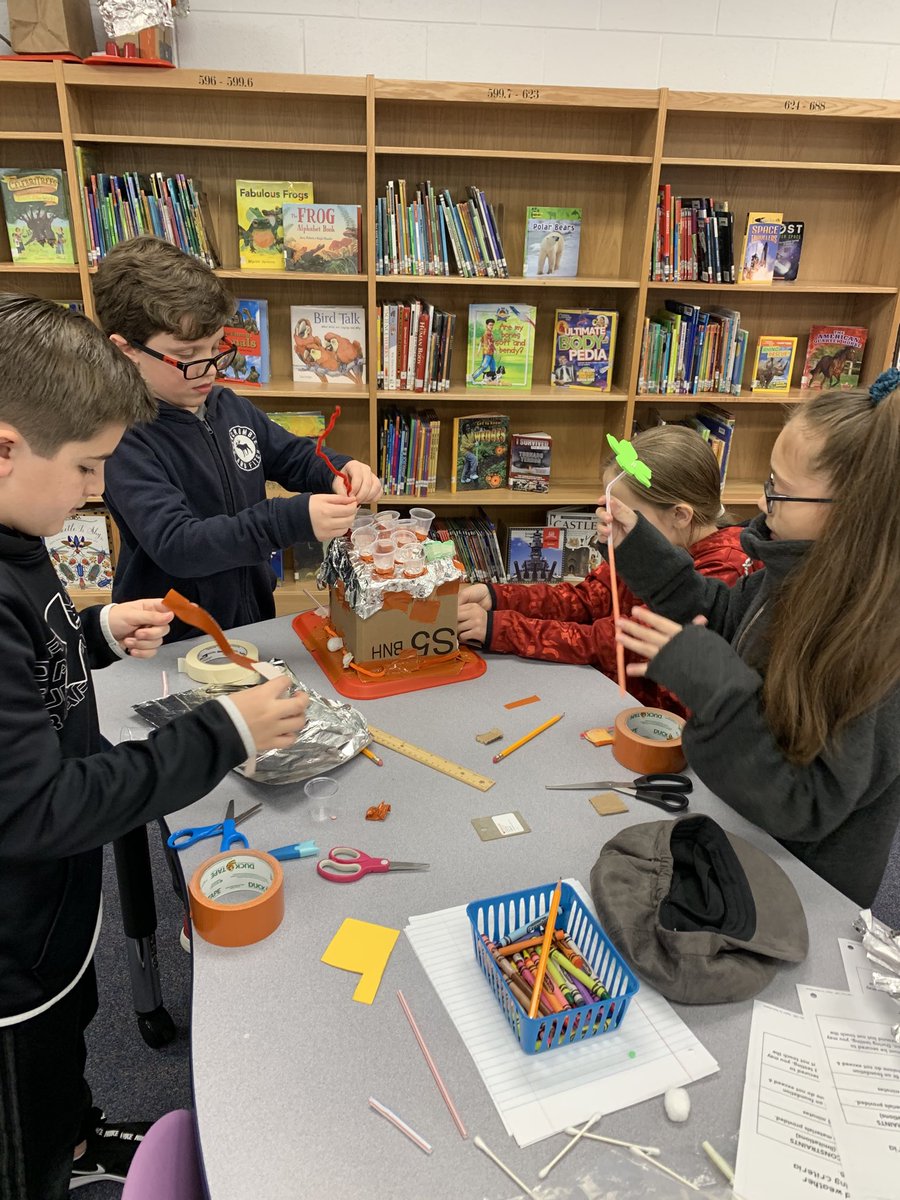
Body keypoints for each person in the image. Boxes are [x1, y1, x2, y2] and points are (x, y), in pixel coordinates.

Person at [0, 294, 309, 1199]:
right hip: (11, 947)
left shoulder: (22, 530)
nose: (99, 491)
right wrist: (227, 731)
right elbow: (34, 809)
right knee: (22, 1111)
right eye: (89, 467)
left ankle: (79, 1131)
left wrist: (93, 632)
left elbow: (35, 667)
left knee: (65, 1037)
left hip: (48, 925)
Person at [601, 377, 900, 907]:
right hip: (743, 834)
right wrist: (645, 551)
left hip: (806, 887)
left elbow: (805, 803)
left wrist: (717, 689)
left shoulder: (876, 646)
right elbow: (727, 614)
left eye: (780, 491)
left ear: (856, 511)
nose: (764, 504)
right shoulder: (797, 567)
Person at [94, 236, 382, 641]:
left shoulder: (227, 405)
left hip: (249, 619)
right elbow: (179, 544)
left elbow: (291, 455)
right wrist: (290, 519)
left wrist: (339, 470)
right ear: (127, 351)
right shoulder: (120, 438)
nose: (210, 368)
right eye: (189, 354)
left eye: (216, 347)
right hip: (170, 637)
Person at [458, 426, 758, 714]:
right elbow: (587, 599)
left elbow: (616, 643)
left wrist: (500, 628)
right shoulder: (646, 544)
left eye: (626, 516)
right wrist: (498, 597)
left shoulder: (725, 566)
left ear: (680, 515)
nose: (609, 524)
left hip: (662, 730)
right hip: (619, 700)